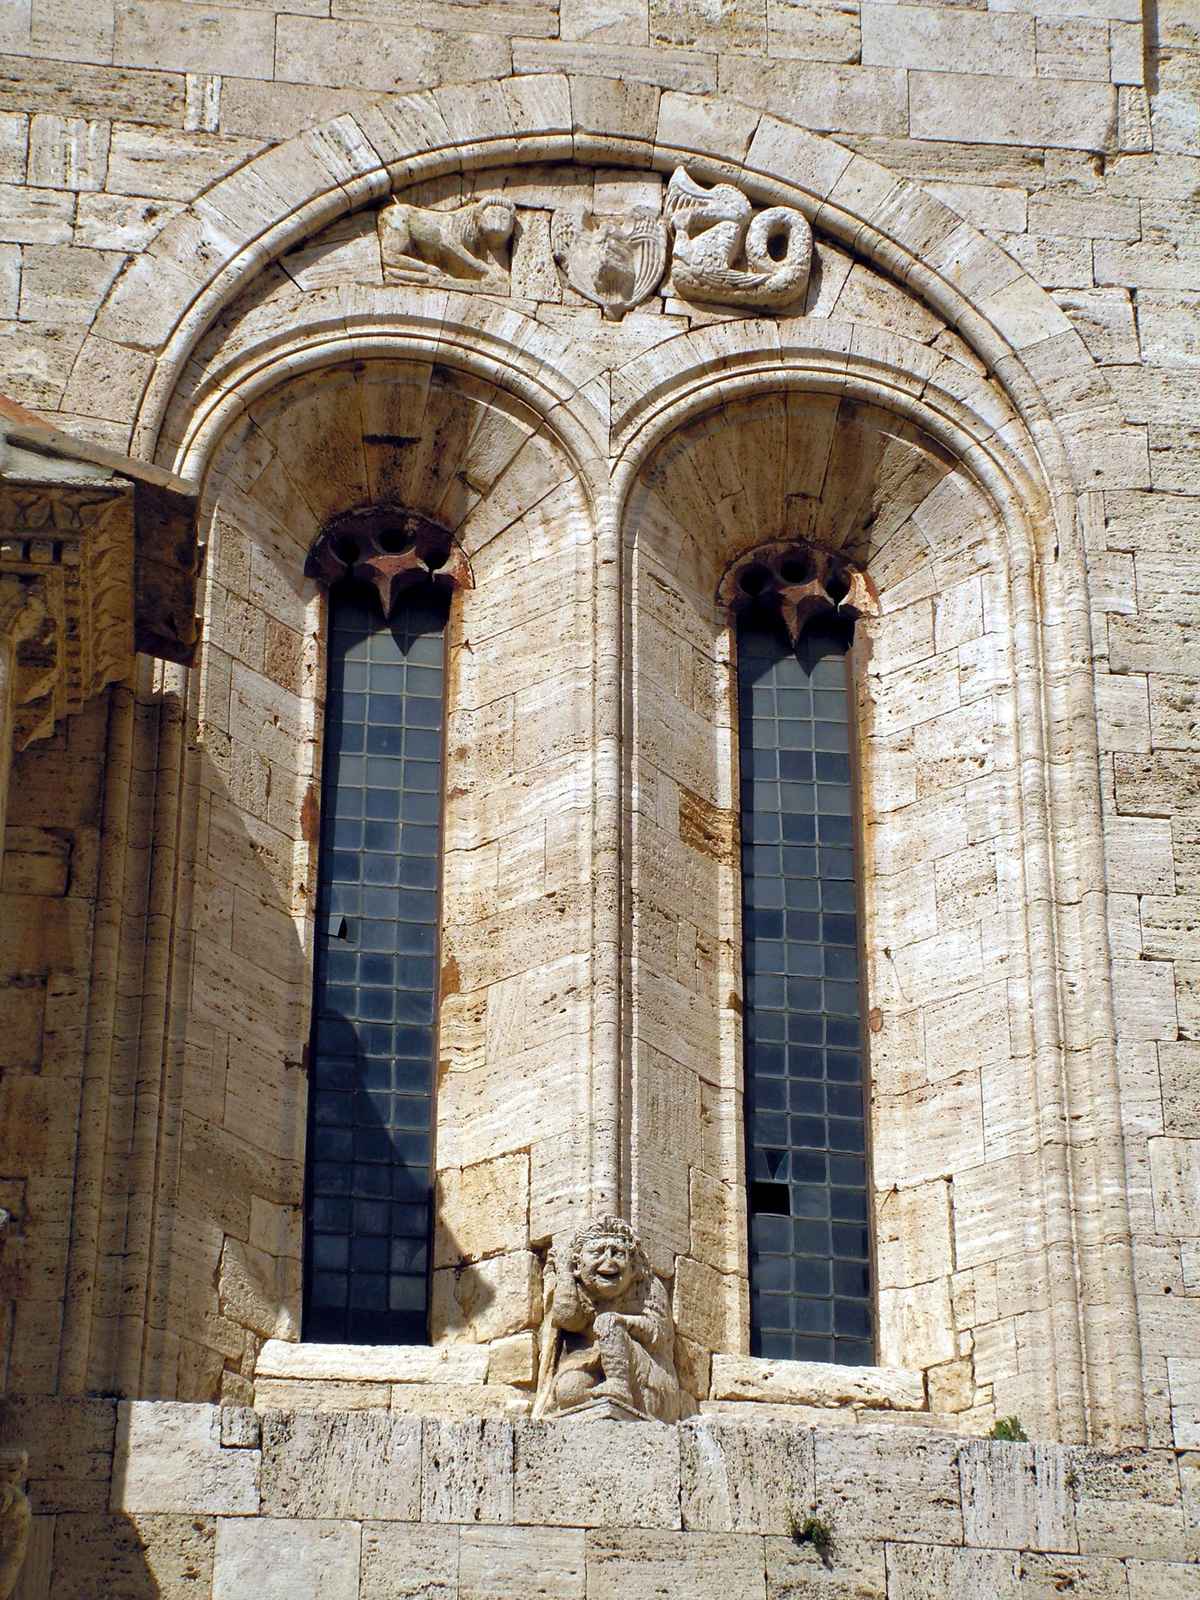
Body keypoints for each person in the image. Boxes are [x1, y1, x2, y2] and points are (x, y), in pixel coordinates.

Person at [534, 1216, 678, 1422]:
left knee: (608, 1322)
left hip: (650, 1384)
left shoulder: (648, 1287)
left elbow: (659, 1335)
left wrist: (622, 1322)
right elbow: (568, 1319)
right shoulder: (578, 1287)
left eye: (617, 1253)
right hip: (593, 1361)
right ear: (578, 1264)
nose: (608, 1261)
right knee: (569, 1390)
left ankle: (619, 1386)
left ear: (633, 1266)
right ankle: (602, 1401)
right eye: (597, 1253)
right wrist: (565, 1273)